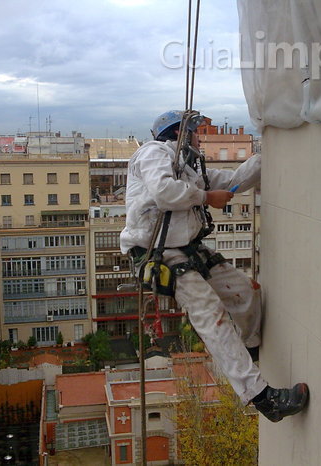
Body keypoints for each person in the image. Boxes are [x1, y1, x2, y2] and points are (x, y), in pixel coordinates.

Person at [120, 110, 309, 422]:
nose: (199, 138)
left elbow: (234, 180)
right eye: (195, 132)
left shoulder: (189, 171)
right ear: (178, 133)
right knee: (212, 315)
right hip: (159, 253)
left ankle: (247, 352)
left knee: (244, 294)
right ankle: (262, 398)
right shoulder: (153, 153)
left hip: (189, 249)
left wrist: (274, 149)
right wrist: (206, 197)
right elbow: (163, 192)